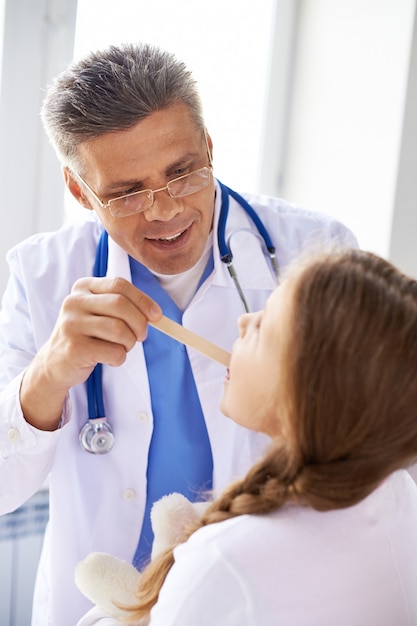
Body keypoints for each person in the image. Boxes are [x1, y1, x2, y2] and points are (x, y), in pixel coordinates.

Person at [0, 42, 356, 625]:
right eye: (127, 192)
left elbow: (379, 445)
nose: (164, 211)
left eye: (183, 172)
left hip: (265, 602)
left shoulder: (313, 253)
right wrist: (50, 372)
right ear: (77, 190)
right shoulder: (42, 276)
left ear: (209, 147)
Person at [79, 248, 417, 626]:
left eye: (262, 327)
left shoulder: (222, 564)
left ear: (306, 388)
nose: (242, 322)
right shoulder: (399, 495)